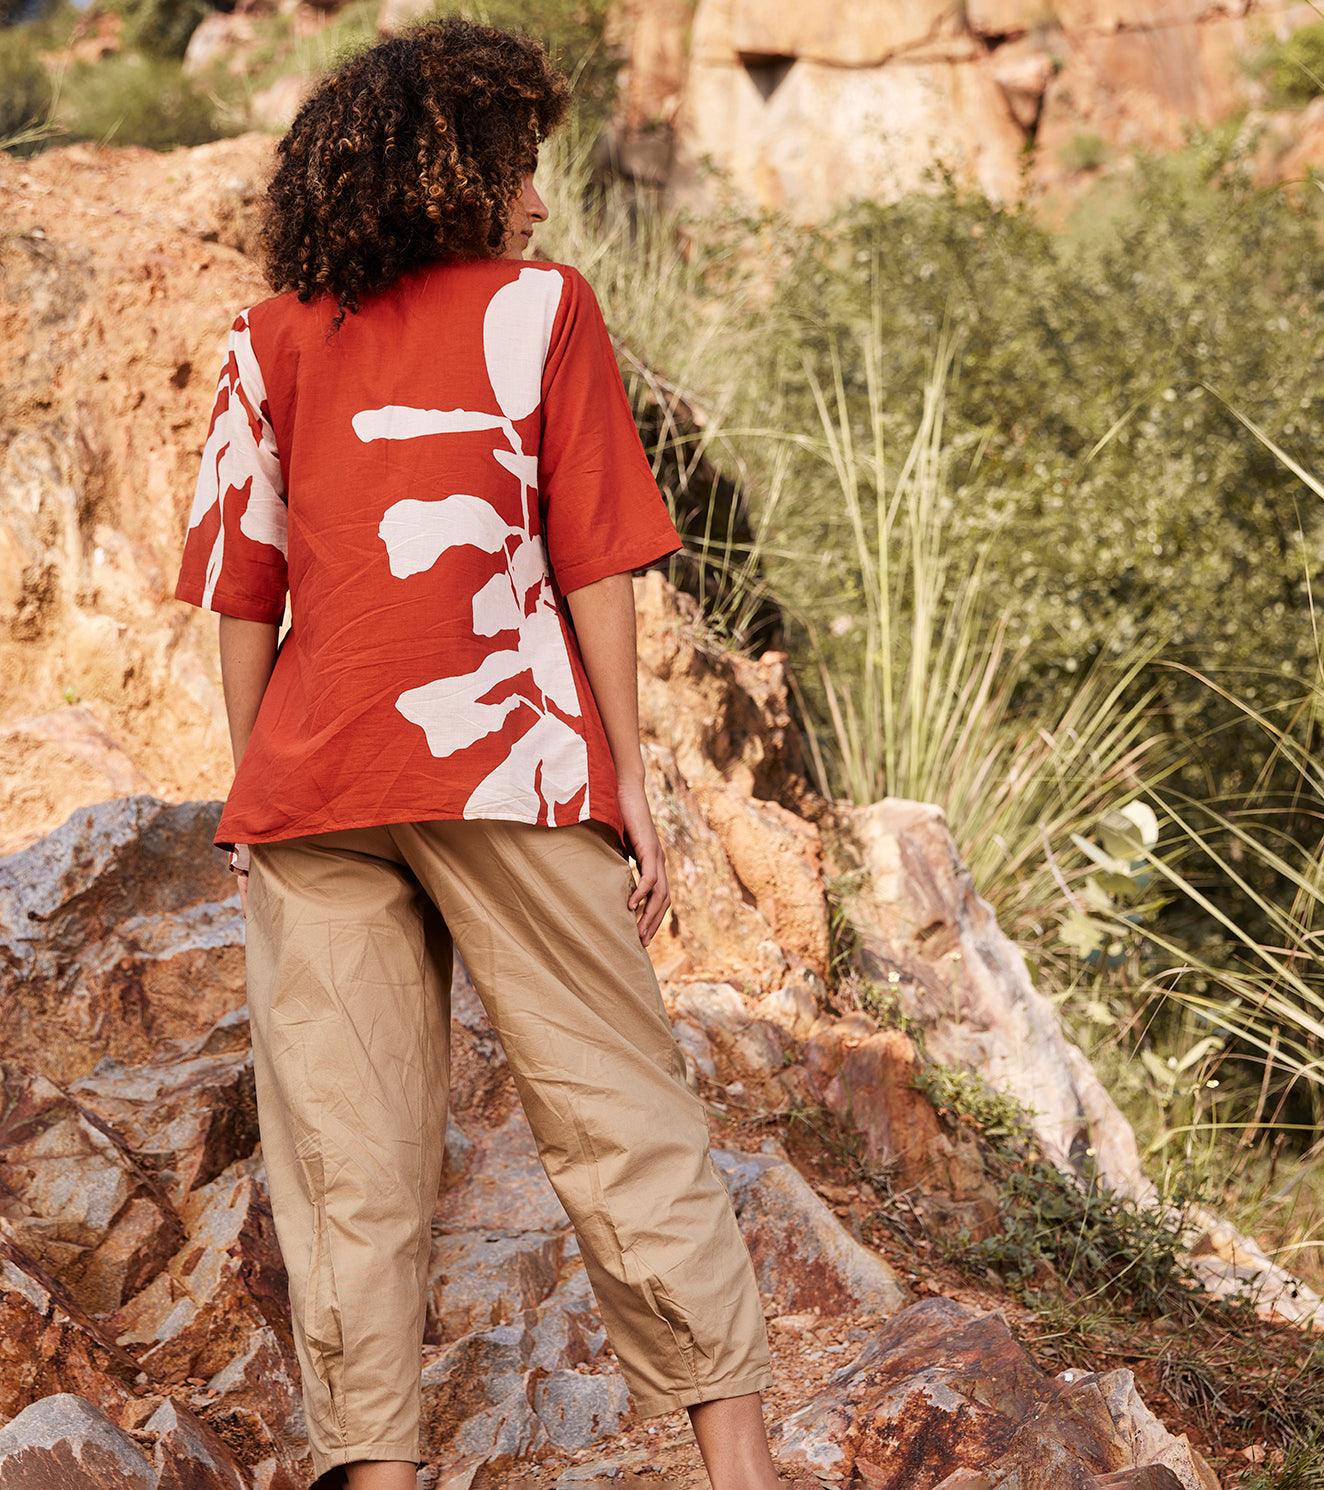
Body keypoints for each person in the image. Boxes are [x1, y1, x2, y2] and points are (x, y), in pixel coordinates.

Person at [171, 16, 785, 1490]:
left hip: (317, 792)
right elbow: (596, 561)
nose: (540, 201)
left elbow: (241, 592)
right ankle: (744, 1479)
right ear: (456, 172)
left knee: (349, 1173)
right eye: (520, 167)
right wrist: (628, 782)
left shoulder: (270, 336)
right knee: (625, 1121)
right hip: (510, 766)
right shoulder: (543, 311)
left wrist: (256, 785)